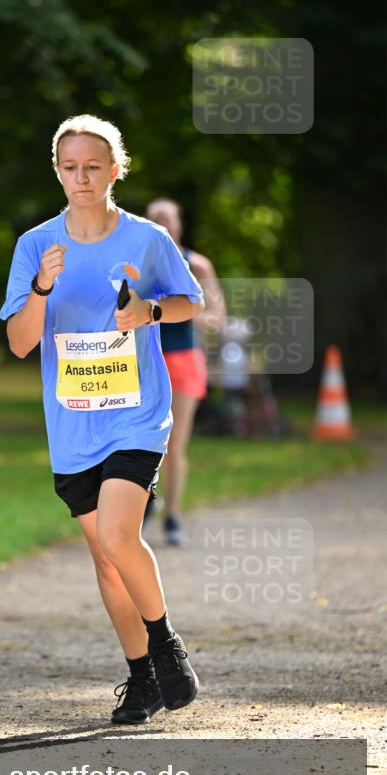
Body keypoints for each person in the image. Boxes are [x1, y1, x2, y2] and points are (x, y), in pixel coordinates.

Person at [0, 115, 205, 725]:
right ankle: (142, 678)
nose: (81, 178)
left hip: (138, 413)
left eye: (93, 166)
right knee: (106, 558)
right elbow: (18, 343)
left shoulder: (145, 239)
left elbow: (191, 300)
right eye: (70, 167)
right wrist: (40, 288)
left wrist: (151, 310)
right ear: (57, 171)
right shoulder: (36, 245)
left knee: (120, 535)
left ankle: (168, 647)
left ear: (116, 170)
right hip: (72, 425)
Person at [145, 198, 225, 546]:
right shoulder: (139, 264)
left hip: (184, 360)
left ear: (179, 225)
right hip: (145, 359)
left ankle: (173, 516)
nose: (163, 225)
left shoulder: (198, 265)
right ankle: (147, 499)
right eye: (155, 220)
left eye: (168, 219)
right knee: (144, 439)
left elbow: (216, 318)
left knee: (175, 442)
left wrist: (182, 310)